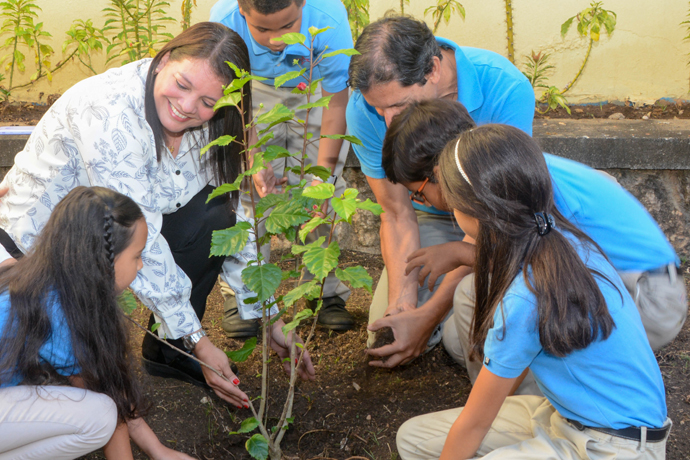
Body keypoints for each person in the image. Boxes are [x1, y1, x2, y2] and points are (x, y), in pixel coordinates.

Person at [0, 22, 315, 406]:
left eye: (207, 101)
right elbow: (138, 238)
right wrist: (199, 342)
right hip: (37, 254)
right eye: (183, 85)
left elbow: (235, 221)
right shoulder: (109, 111)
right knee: (70, 369)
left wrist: (271, 318)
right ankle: (163, 345)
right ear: (164, 59)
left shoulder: (210, 122)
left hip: (119, 238)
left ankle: (168, 348)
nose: (187, 107)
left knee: (217, 213)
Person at [396, 124, 671, 460]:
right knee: (413, 439)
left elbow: (474, 425)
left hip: (614, 447)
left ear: (473, 211)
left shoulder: (523, 299)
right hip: (567, 416)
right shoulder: (566, 240)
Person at [380, 100, 686, 389]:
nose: (418, 202)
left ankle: (508, 415)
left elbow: (548, 261)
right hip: (618, 281)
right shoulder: (502, 169)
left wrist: (461, 252)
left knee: (472, 296)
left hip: (646, 298)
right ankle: (512, 390)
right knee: (460, 339)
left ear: (440, 173)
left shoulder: (521, 183)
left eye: (418, 193)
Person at [345, 14, 535, 367]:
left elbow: (500, 216)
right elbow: (397, 212)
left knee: (459, 337)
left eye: (399, 105)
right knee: (385, 329)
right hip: (428, 217)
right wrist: (402, 301)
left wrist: (430, 313)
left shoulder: (505, 87)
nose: (389, 121)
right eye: (379, 108)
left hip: (496, 224)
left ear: (432, 69)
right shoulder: (362, 108)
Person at [0, 186, 197, 460]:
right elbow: (112, 402)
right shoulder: (61, 314)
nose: (140, 266)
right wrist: (157, 452)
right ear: (103, 262)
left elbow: (113, 386)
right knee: (99, 416)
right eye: (137, 256)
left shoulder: (45, 282)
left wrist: (157, 450)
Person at [210, 0, 355, 334]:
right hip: (251, 89)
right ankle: (244, 296)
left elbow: (336, 102)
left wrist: (323, 178)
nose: (276, 39)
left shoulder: (329, 18)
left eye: (288, 25)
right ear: (242, 11)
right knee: (248, 191)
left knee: (323, 194)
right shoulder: (225, 18)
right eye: (262, 29)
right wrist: (254, 157)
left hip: (315, 90)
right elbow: (235, 95)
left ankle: (323, 289)